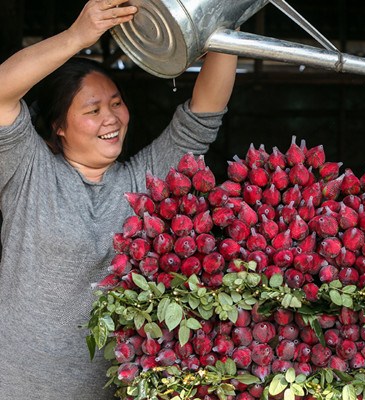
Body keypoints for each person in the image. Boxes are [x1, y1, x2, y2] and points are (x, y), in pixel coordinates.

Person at [0, 0, 238, 399]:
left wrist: (223, 22)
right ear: (59, 126)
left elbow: (203, 115)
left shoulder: (143, 181)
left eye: (115, 103)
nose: (111, 117)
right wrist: (79, 36)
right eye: (93, 110)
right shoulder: (29, 172)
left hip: (106, 391)